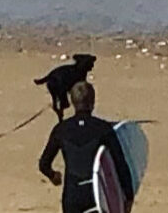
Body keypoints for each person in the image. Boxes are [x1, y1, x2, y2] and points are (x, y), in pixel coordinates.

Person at [38, 80, 133, 213]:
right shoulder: (104, 129)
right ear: (93, 102)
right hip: (98, 195)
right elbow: (120, 165)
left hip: (72, 195)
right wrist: (128, 197)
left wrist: (53, 176)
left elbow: (43, 164)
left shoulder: (61, 129)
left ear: (72, 102)